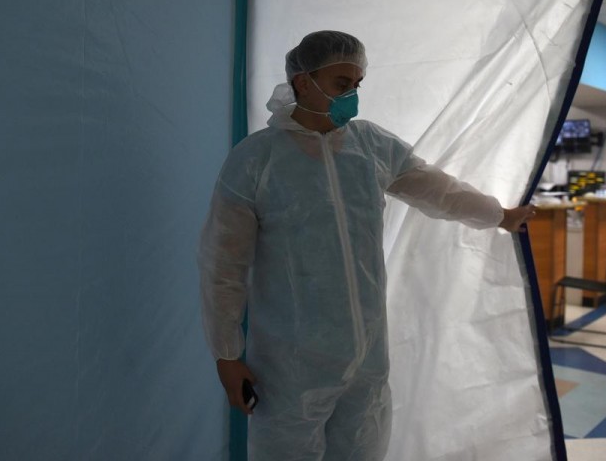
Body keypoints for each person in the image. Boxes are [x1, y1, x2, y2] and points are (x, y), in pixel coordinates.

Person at [198, 30, 535, 461]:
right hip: (290, 369)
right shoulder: (256, 160)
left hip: (367, 361)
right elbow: (222, 265)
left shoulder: (371, 146)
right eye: (341, 84)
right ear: (303, 82)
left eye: (356, 85)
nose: (351, 96)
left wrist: (499, 215)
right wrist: (226, 356)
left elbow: (441, 192)